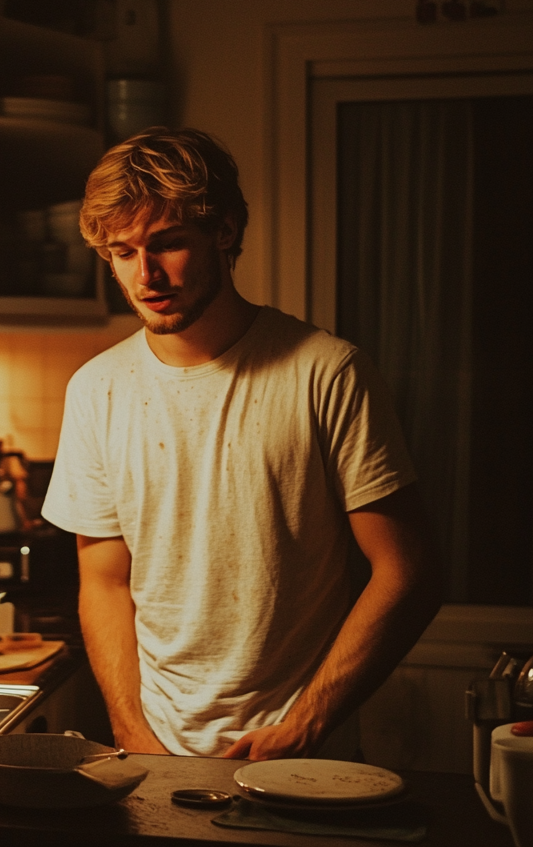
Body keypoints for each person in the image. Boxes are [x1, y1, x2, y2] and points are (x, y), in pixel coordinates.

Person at [41, 128, 443, 760]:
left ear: (224, 231)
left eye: (167, 244)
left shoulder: (325, 372)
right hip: (155, 755)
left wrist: (306, 725)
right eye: (122, 252)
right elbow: (104, 581)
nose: (145, 274)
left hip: (302, 755)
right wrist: (131, 731)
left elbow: (408, 571)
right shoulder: (97, 390)